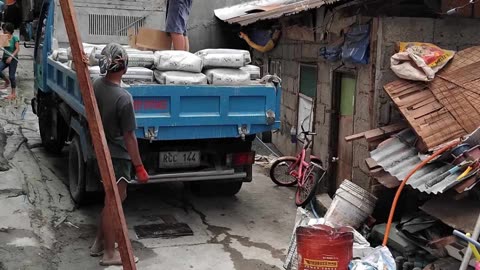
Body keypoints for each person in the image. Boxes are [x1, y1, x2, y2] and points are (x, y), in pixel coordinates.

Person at [89, 43, 149, 266]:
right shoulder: (124, 98)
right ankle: (109, 253)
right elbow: (130, 137)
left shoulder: (97, 84)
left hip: (100, 153)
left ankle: (98, 242)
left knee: (109, 200)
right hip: (118, 157)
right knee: (114, 203)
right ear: (124, 67)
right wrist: (140, 166)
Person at [0, 22, 19, 99]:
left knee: (12, 76)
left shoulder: (15, 38)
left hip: (13, 59)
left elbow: (17, 49)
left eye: (6, 31)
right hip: (5, 58)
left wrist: (11, 57)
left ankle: (13, 93)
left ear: (10, 31)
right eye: (4, 30)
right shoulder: (4, 37)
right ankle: (6, 81)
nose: (4, 32)